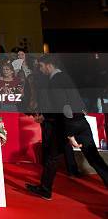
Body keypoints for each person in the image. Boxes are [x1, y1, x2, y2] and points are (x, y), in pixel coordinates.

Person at [26, 55, 108, 200]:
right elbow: (70, 103)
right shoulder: (65, 77)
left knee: (52, 157)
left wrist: (70, 134)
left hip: (68, 124)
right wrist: (45, 116)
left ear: (48, 65)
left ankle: (45, 190)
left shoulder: (55, 81)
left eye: (41, 66)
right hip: (81, 122)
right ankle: (44, 189)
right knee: (95, 159)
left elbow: (64, 107)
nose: (40, 69)